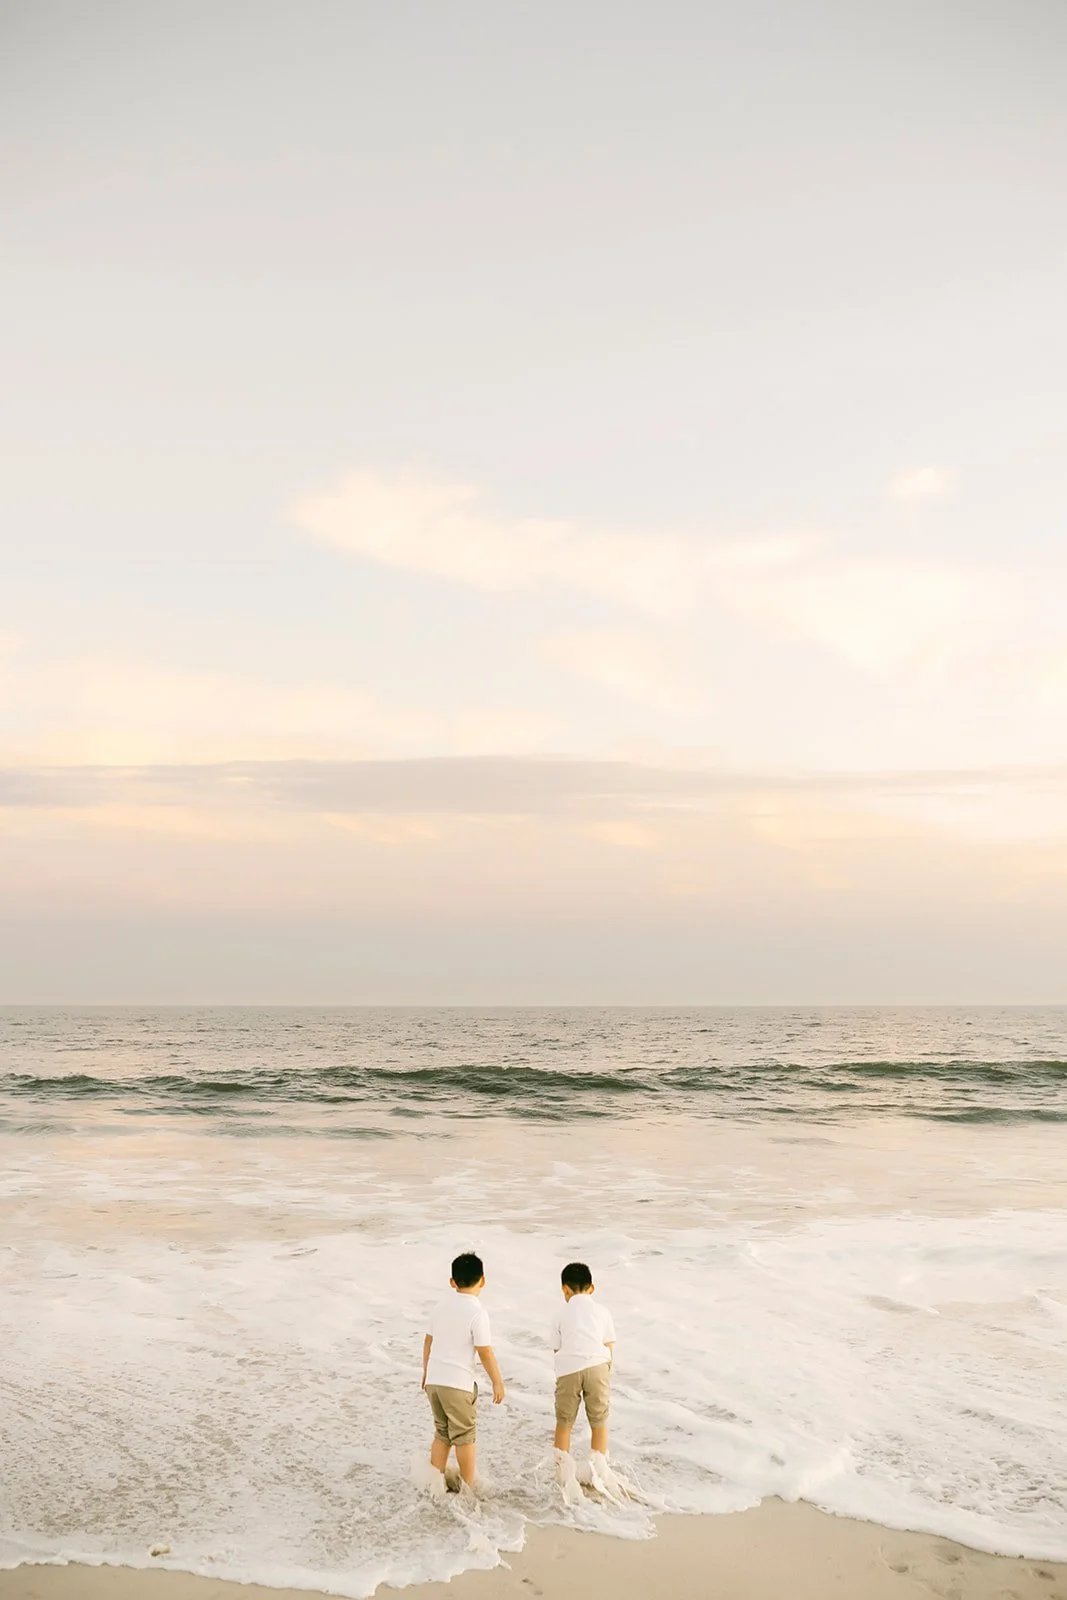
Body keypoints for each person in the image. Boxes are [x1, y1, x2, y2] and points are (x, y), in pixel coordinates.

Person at [421, 1251, 505, 1489]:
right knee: (465, 1437)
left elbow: (428, 1341)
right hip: (457, 1383)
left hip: (435, 1382)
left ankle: (433, 1483)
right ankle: (470, 1489)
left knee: (442, 1433)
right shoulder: (477, 1312)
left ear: (452, 1282)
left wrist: (426, 1372)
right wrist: (497, 1382)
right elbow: (485, 1351)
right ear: (483, 1281)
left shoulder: (439, 1307)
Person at [551, 1260, 615, 1461]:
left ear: (565, 1289)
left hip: (569, 1368)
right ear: (592, 1288)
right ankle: (598, 1472)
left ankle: (562, 1474)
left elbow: (556, 1347)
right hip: (597, 1366)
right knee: (599, 1423)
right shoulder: (603, 1311)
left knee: (564, 1423)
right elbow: (609, 1344)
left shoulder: (560, 1313)